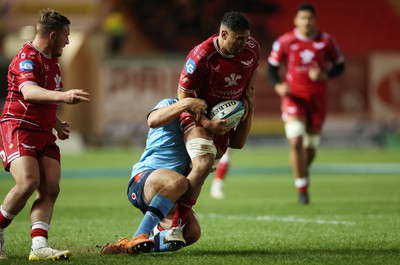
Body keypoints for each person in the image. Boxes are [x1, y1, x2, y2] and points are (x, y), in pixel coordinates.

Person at [0, 9, 90, 260]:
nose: (68, 41)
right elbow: (29, 92)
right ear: (52, 35)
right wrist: (64, 96)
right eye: (66, 36)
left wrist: (57, 122)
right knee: (28, 182)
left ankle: (39, 246)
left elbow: (43, 101)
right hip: (19, 126)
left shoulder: (53, 60)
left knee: (50, 187)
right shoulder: (26, 59)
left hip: (43, 130)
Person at [167, 11, 259, 244]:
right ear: (223, 33)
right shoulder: (201, 56)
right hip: (198, 116)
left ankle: (172, 200)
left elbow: (252, 72)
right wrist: (207, 122)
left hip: (227, 116)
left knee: (237, 145)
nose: (244, 43)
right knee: (204, 161)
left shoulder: (251, 49)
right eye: (238, 38)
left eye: (246, 37)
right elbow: (183, 96)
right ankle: (174, 225)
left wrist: (247, 98)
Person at [101, 97, 207, 255]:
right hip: (145, 178)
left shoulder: (206, 117)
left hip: (172, 193)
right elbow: (152, 120)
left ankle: (129, 246)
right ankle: (140, 235)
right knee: (179, 182)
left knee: (192, 233)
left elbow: (238, 143)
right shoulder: (171, 103)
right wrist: (185, 104)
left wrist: (249, 105)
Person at [267, 3, 345, 204]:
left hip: (317, 100)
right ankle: (302, 188)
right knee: (296, 141)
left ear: (314, 20)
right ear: (296, 20)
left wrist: (325, 74)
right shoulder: (285, 41)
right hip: (294, 97)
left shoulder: (326, 41)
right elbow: (271, 69)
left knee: (310, 148)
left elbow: (340, 65)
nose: (306, 22)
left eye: (309, 18)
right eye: (302, 18)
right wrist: (278, 86)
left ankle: (301, 172)